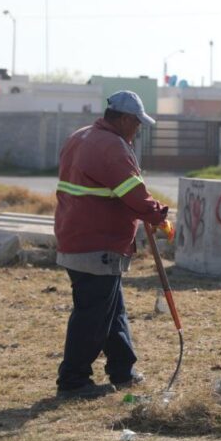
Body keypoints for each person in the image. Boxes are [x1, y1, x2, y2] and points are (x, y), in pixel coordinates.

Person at [54, 90, 169, 400]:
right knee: (93, 315)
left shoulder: (81, 136)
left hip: (76, 237)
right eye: (137, 123)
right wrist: (157, 215)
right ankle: (73, 379)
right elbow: (132, 193)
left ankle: (122, 369)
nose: (138, 129)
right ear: (122, 119)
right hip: (97, 244)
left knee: (111, 309)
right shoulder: (111, 146)